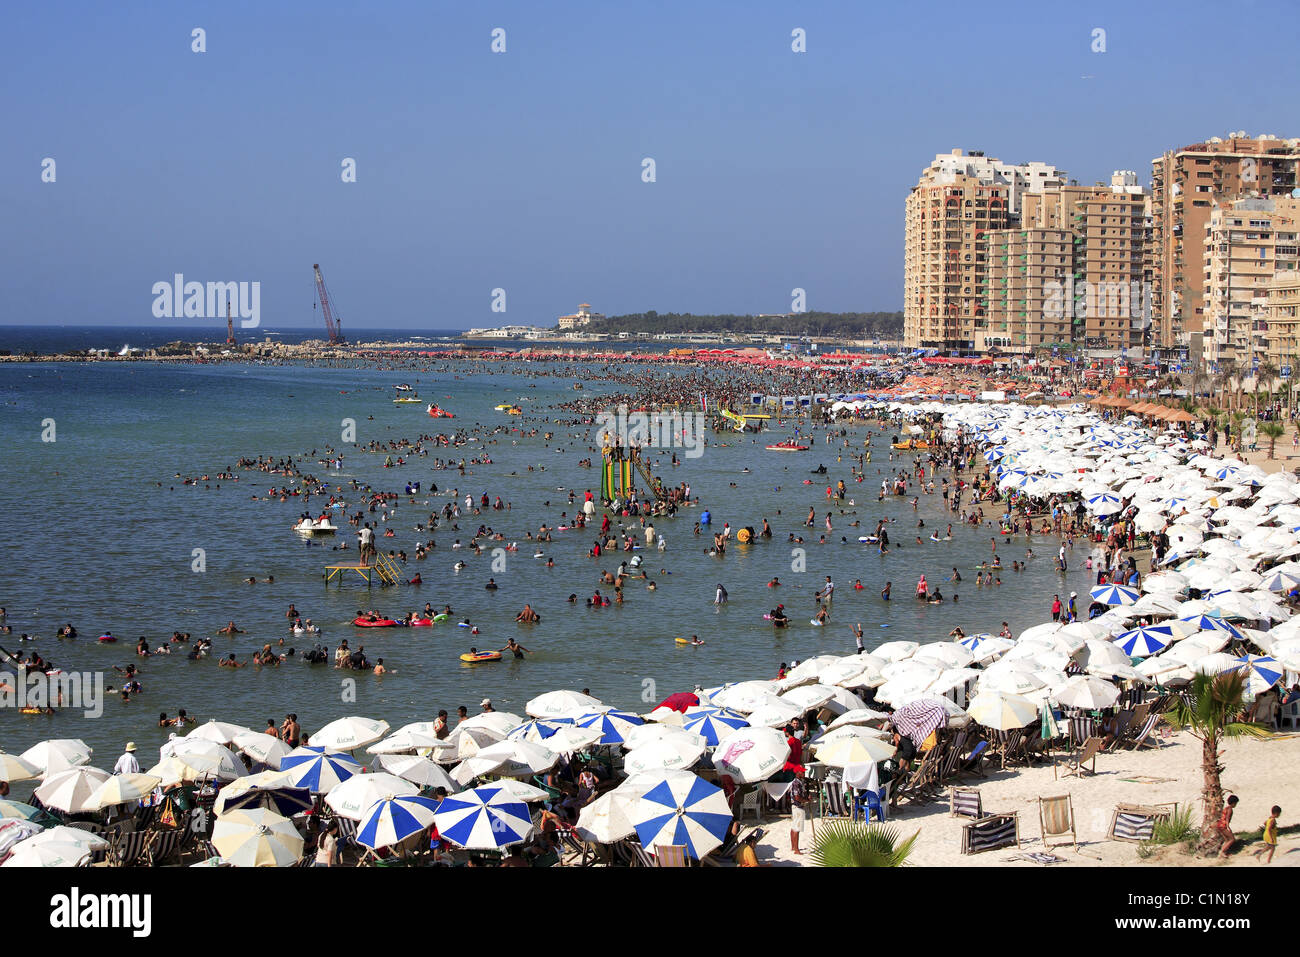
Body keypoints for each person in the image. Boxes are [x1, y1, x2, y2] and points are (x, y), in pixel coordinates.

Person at [788, 775, 809, 855]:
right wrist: (806, 800)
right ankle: (796, 850)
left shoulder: (799, 782)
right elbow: (797, 797)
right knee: (797, 828)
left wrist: (806, 798)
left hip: (797, 806)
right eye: (802, 771)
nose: (804, 773)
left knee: (794, 826)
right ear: (797, 773)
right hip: (798, 806)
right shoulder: (796, 783)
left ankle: (793, 846)